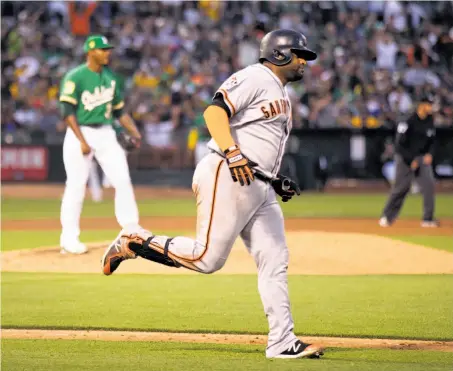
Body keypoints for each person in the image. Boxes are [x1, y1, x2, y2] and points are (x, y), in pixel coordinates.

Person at [101, 29, 324, 360]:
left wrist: (274, 180)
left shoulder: (280, 92)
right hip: (227, 171)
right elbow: (214, 111)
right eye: (298, 54)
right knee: (207, 259)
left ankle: (282, 341)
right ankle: (134, 241)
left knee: (275, 260)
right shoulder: (255, 76)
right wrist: (232, 152)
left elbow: (257, 145)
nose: (304, 61)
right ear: (278, 54)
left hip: (258, 184)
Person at [59, 35, 142, 254]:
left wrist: (134, 131)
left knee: (123, 179)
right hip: (80, 131)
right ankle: (69, 239)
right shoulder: (75, 77)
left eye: (108, 49)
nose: (107, 52)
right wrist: (82, 140)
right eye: (102, 49)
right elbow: (67, 112)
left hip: (105, 132)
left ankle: (131, 230)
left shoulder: (110, 78)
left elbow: (119, 111)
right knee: (76, 186)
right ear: (90, 52)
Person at [379, 93, 439, 227]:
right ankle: (387, 216)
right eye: (428, 104)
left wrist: (430, 153)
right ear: (421, 105)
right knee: (401, 188)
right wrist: (410, 159)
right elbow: (399, 144)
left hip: (422, 158)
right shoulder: (408, 120)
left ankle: (427, 219)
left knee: (429, 186)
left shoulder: (430, 120)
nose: (430, 107)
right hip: (405, 157)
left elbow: (432, 140)